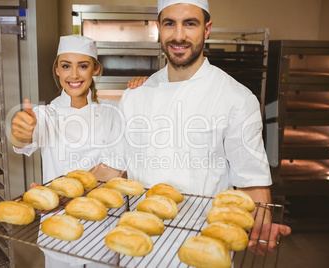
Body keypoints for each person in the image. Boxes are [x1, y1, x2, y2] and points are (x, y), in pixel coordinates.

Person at [92, 0, 291, 258]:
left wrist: (262, 223)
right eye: (169, 24)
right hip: (138, 249)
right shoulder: (135, 96)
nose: (178, 35)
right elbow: (112, 167)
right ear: (158, 28)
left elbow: (251, 182)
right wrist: (62, 194)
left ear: (207, 29)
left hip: (205, 248)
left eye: (190, 23)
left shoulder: (236, 98)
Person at [10, 35, 146, 267]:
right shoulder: (46, 114)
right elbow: (22, 140)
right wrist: (21, 131)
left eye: (82, 66)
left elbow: (124, 159)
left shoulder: (114, 111)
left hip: (103, 227)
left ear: (95, 69)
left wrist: (145, 89)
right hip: (59, 226)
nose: (73, 75)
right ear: (57, 70)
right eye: (66, 66)